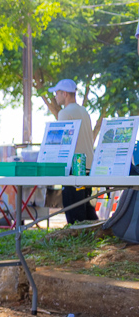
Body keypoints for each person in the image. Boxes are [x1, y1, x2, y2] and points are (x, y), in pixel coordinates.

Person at [50, 78, 98, 223]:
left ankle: (79, 238)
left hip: (75, 165)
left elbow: (62, 144)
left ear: (64, 94)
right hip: (88, 164)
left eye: (57, 93)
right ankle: (92, 238)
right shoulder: (84, 111)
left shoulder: (65, 113)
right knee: (87, 209)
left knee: (74, 213)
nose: (55, 96)